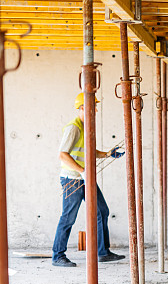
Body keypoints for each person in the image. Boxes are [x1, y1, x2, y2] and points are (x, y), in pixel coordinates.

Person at [52, 93, 126, 267]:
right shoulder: (74, 128)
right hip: (73, 179)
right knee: (69, 217)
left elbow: (89, 151)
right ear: (83, 107)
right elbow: (62, 155)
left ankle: (103, 252)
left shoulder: (85, 127)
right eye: (94, 106)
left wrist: (108, 154)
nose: (96, 110)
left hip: (84, 178)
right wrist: (82, 171)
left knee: (102, 211)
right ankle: (58, 256)